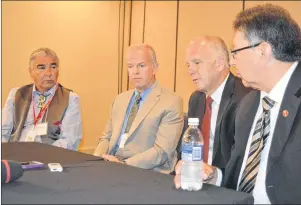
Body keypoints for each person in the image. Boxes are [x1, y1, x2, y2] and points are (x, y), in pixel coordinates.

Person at [175, 4, 301, 204]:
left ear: (262, 51)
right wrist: (214, 175)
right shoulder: (250, 104)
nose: (232, 62)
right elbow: (241, 176)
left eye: (235, 52)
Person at [93, 44, 184, 174]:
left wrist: (123, 165)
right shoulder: (119, 100)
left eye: (141, 66)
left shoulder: (171, 102)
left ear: (155, 68)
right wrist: (96, 159)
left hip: (146, 172)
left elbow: (162, 151)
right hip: (111, 167)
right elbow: (106, 137)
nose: (135, 72)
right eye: (130, 66)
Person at [183, 36, 251, 174]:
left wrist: (214, 175)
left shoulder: (246, 97)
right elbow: (188, 146)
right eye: (188, 65)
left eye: (197, 62)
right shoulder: (196, 99)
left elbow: (242, 163)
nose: (190, 70)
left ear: (220, 63)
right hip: (196, 178)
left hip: (227, 184)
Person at [2, 48, 82, 150]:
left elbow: (70, 142)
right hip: (15, 156)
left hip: (49, 158)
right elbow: (3, 132)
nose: (48, 73)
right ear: (31, 71)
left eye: (53, 67)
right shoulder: (16, 94)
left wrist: (38, 155)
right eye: (42, 68)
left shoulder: (70, 99)